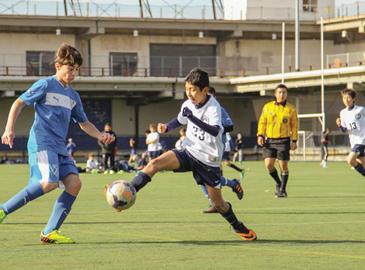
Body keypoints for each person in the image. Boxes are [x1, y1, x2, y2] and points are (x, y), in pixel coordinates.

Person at [106, 68, 257, 241]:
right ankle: (127, 193)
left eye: (193, 90)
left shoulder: (214, 107)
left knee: (218, 204)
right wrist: (167, 127)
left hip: (208, 160)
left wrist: (192, 118)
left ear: (205, 91)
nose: (189, 94)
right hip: (187, 151)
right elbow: (181, 119)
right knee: (154, 164)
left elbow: (215, 131)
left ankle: (238, 226)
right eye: (187, 89)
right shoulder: (188, 104)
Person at [0, 43, 115, 244]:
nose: (73, 73)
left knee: (75, 184)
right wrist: (9, 128)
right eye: (70, 69)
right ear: (58, 66)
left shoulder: (73, 96)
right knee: (49, 183)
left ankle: (49, 231)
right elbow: (18, 103)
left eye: (76, 70)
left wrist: (100, 135)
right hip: (42, 142)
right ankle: (0, 211)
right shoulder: (45, 85)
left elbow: (84, 123)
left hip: (59, 147)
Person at [257, 84, 299, 198]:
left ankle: (283, 190)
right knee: (269, 165)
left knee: (283, 166)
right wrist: (260, 135)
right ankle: (279, 183)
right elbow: (262, 122)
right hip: (269, 141)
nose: (282, 94)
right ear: (275, 94)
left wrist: (294, 140)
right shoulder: (267, 107)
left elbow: (294, 125)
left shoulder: (291, 109)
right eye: (279, 92)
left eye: (284, 92)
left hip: (284, 141)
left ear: (287, 94)